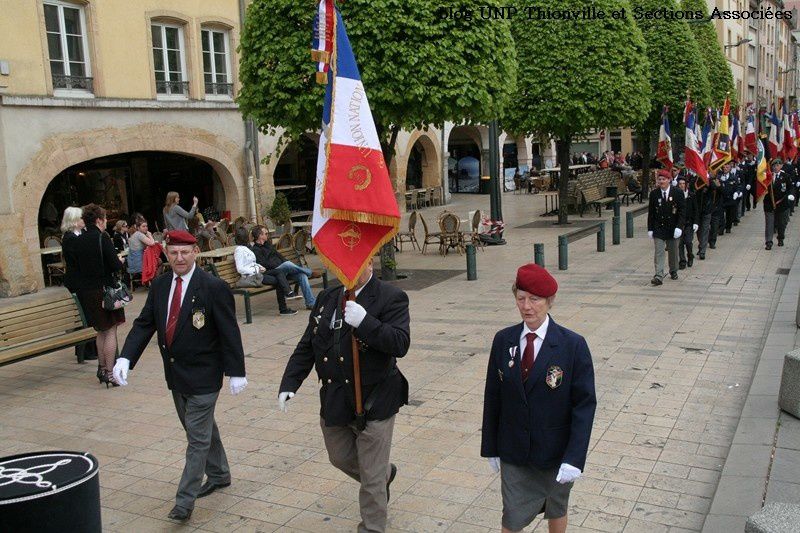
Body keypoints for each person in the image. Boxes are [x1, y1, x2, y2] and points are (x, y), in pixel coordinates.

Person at [112, 230, 248, 522]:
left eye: (185, 252)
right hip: (176, 375)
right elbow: (144, 324)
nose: (179, 258)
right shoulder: (160, 286)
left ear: (195, 251)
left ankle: (184, 503)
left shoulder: (212, 287)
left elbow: (229, 331)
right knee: (201, 429)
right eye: (173, 252)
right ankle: (220, 473)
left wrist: (236, 371)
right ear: (166, 253)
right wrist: (125, 357)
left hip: (204, 376)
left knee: (196, 438)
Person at [278, 260, 409, 533]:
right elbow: (308, 345)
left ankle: (372, 525)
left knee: (370, 479)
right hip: (337, 397)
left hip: (376, 398)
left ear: (369, 261)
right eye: (340, 266)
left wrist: (366, 322)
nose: (346, 272)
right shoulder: (327, 298)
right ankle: (385, 475)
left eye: (353, 265)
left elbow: (400, 343)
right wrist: (290, 382)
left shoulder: (391, 297)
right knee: (339, 456)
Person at [481, 263, 596, 533]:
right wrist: (490, 446)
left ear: (549, 301)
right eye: (521, 298)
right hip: (514, 452)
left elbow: (584, 405)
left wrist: (575, 457)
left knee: (556, 508)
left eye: (534, 299)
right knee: (511, 518)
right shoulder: (504, 340)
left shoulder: (572, 345)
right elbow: (493, 396)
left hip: (555, 453)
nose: (527, 306)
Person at [68, 204, 125, 385]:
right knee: (110, 330)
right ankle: (110, 373)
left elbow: (75, 267)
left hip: (87, 291)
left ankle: (102, 369)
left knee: (100, 331)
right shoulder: (102, 238)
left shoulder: (77, 240)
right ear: (99, 220)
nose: (107, 222)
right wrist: (120, 261)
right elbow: (115, 265)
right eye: (106, 219)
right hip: (104, 290)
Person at [61, 206, 97, 363]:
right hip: (78, 282)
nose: (84, 220)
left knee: (90, 315)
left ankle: (90, 348)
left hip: (85, 280)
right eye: (81, 218)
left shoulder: (80, 235)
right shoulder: (69, 238)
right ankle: (86, 350)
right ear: (74, 221)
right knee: (84, 316)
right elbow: (78, 260)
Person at [233, 227, 297, 316]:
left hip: (258, 273)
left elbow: (252, 263)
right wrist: (256, 269)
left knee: (278, 272)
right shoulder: (239, 250)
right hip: (252, 277)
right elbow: (240, 268)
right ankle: (284, 307)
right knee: (279, 280)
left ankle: (288, 293)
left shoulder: (246, 248)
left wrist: (260, 266)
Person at [249, 226, 317, 310]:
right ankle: (309, 272)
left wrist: (284, 262)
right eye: (266, 234)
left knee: (302, 275)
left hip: (284, 270)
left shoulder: (268, 245)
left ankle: (310, 303)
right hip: (275, 272)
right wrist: (279, 265)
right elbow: (263, 264)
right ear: (260, 236)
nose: (268, 235)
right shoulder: (255, 250)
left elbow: (279, 255)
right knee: (287, 265)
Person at [647, 170, 685, 285]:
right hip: (659, 227)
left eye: (664, 179)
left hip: (673, 228)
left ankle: (673, 270)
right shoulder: (654, 194)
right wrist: (650, 229)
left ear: (669, 180)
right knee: (659, 252)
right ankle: (659, 275)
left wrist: (679, 227)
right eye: (660, 179)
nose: (661, 181)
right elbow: (651, 213)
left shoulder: (677, 192)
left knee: (673, 251)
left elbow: (682, 211)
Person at [764, 159, 795, 250]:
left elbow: (791, 188)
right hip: (769, 204)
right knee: (769, 223)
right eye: (774, 165)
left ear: (781, 166)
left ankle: (780, 238)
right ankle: (768, 242)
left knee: (782, 223)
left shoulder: (785, 176)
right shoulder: (767, 176)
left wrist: (791, 195)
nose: (775, 167)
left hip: (782, 204)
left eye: (777, 165)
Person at [676, 176, 699, 269]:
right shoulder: (676, 195)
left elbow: (696, 210)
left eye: (683, 184)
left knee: (688, 242)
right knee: (680, 243)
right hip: (679, 223)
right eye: (680, 184)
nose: (682, 185)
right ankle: (682, 261)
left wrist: (696, 222)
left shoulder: (691, 195)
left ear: (686, 185)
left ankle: (690, 256)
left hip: (689, 222)